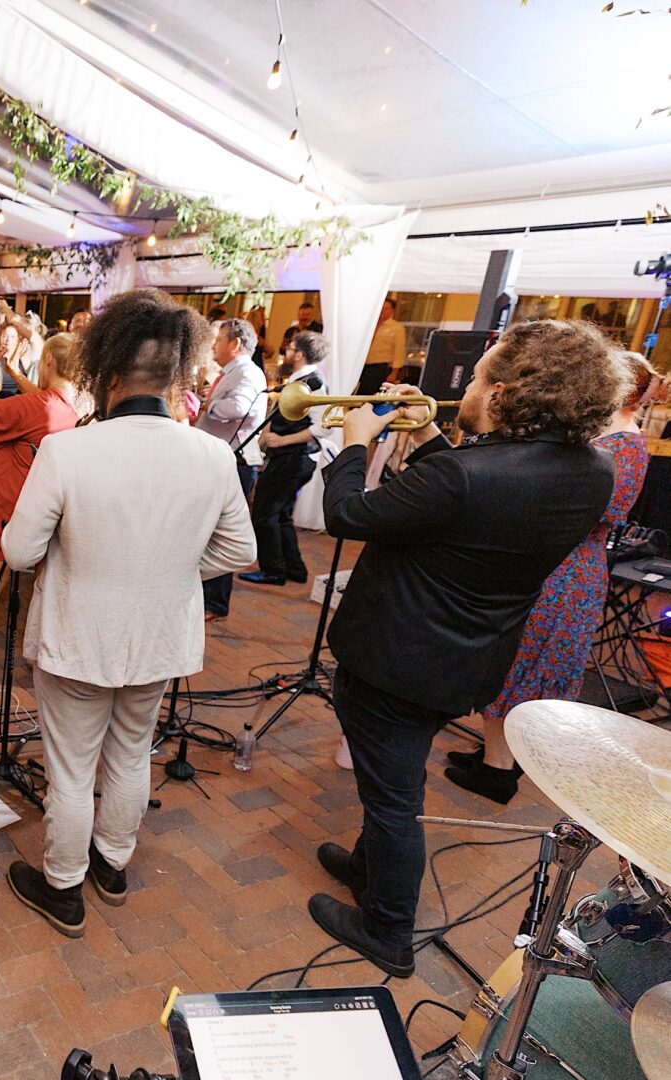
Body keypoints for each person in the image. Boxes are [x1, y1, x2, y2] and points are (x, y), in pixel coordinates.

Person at [310, 319, 628, 978]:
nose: (469, 388)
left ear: (510, 392)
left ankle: (387, 928)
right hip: (466, 657)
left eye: (481, 377)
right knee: (393, 778)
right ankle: (370, 873)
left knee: (394, 799)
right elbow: (468, 500)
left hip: (398, 656)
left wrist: (351, 445)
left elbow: (349, 516)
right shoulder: (591, 469)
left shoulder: (469, 474)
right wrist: (428, 438)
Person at [0, 290, 256, 938]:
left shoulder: (69, 451)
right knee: (133, 752)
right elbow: (239, 550)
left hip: (78, 637)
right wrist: (166, 569)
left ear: (106, 373)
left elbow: (19, 549)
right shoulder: (210, 454)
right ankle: (112, 867)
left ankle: (63, 886)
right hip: (157, 639)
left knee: (71, 767)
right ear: (175, 374)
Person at [447, 352, 654, 803]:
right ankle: (496, 753)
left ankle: (498, 771)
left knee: (524, 666)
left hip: (564, 568)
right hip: (565, 562)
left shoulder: (620, 448)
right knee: (520, 662)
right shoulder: (610, 440)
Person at [0, 332, 84, 693]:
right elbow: (40, 402)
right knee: (47, 585)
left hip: (12, 505)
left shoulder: (38, 406)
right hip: (51, 509)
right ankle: (43, 653)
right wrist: (15, 373)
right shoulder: (71, 408)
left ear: (49, 363)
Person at [241, 331, 327, 587]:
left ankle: (273, 570)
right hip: (290, 457)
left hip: (294, 457)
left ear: (299, 354)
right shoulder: (301, 379)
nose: (285, 352)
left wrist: (282, 440)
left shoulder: (314, 383)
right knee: (281, 514)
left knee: (265, 513)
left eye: (289, 349)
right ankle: (293, 568)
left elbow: (324, 427)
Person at [195, 318, 269, 620]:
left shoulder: (247, 373)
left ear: (235, 343)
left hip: (234, 460)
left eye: (219, 339)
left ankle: (215, 603)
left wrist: (208, 405)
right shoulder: (235, 372)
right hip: (223, 457)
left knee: (218, 529)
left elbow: (239, 408)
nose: (214, 345)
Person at [356, 297, 407, 393]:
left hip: (380, 367)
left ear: (392, 311)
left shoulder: (397, 328)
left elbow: (399, 351)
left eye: (386, 308)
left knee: (369, 393)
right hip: (362, 365)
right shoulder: (369, 325)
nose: (383, 311)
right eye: (381, 308)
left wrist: (394, 373)